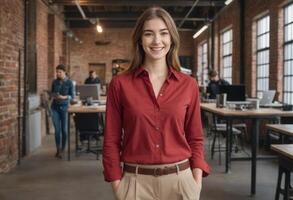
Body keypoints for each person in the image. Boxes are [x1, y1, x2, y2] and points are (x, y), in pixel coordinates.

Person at [103, 7, 209, 200]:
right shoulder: (120, 84)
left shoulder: (189, 84)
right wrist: (118, 186)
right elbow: (111, 140)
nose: (157, 41)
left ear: (172, 38)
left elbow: (196, 137)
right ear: (140, 39)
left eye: (163, 33)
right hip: (135, 184)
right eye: (148, 34)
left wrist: (196, 182)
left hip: (181, 182)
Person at [50, 64, 74, 159]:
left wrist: (64, 97)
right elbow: (52, 92)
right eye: (57, 72)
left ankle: (63, 148)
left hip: (64, 108)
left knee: (64, 130)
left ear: (64, 72)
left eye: (59, 72)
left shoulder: (69, 82)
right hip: (55, 107)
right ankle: (58, 150)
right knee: (57, 130)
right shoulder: (54, 82)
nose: (58, 73)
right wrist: (52, 95)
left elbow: (72, 95)